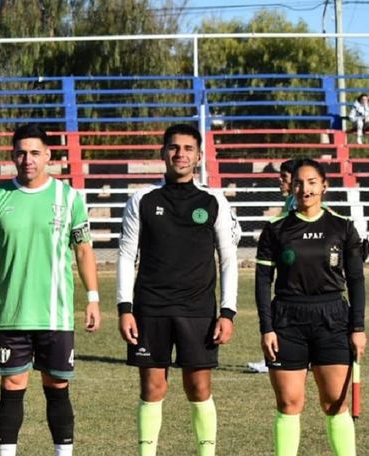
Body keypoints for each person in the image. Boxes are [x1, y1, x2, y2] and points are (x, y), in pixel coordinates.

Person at [0, 124, 101, 456]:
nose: (28, 159)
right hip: (11, 313)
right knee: (11, 385)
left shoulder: (68, 198)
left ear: (48, 156)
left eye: (35, 153)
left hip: (55, 313)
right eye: (21, 153)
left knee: (57, 385)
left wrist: (93, 298)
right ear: (13, 155)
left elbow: (83, 250)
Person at [117, 123, 240, 456]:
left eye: (187, 148)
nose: (180, 154)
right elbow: (128, 255)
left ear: (199, 156)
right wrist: (124, 308)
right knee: (152, 388)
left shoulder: (213, 200)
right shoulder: (142, 199)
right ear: (163, 153)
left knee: (199, 388)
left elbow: (228, 259)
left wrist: (227, 312)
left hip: (198, 310)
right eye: (174, 147)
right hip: (150, 309)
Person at [255, 158, 366, 456]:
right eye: (299, 183)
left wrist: (358, 328)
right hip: (287, 320)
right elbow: (263, 282)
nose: (305, 188)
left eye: (312, 182)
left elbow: (356, 280)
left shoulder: (342, 227)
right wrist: (267, 328)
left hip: (332, 319)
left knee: (335, 403)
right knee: (289, 403)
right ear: (291, 187)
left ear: (324, 186)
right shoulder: (275, 229)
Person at [248, 158, 299, 373]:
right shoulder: (290, 202)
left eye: (284, 177)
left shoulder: (297, 203)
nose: (280, 181)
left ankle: (273, 358)